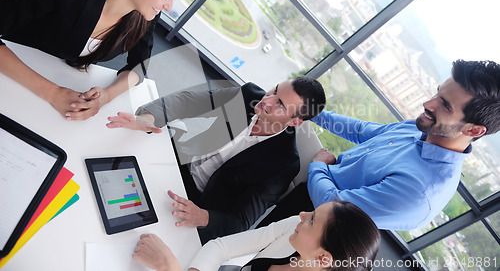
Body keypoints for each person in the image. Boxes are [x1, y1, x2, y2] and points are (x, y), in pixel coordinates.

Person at [260, 60, 500, 231]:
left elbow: (330, 207)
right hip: (311, 188)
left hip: (313, 229)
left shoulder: (420, 193)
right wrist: (310, 111)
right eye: (437, 93)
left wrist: (319, 168)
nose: (427, 103)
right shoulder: (420, 129)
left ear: (473, 130)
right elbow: (361, 131)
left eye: (445, 105)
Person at [106, 76, 326, 243]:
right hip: (175, 162)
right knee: (108, 178)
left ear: (295, 122)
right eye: (274, 91)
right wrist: (146, 118)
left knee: (127, 236)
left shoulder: (283, 164)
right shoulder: (249, 95)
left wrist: (203, 217)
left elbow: (241, 221)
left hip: (196, 203)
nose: (266, 101)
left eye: (280, 105)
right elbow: (187, 102)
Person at [0, 0, 188, 120]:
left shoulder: (145, 13)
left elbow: (139, 66)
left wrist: (106, 96)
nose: (169, 7)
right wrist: (53, 93)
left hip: (56, 81)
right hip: (13, 70)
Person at [132, 201, 381, 271]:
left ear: (323, 258)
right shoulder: (295, 227)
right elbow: (221, 247)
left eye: (312, 220)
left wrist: (169, 267)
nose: (302, 213)